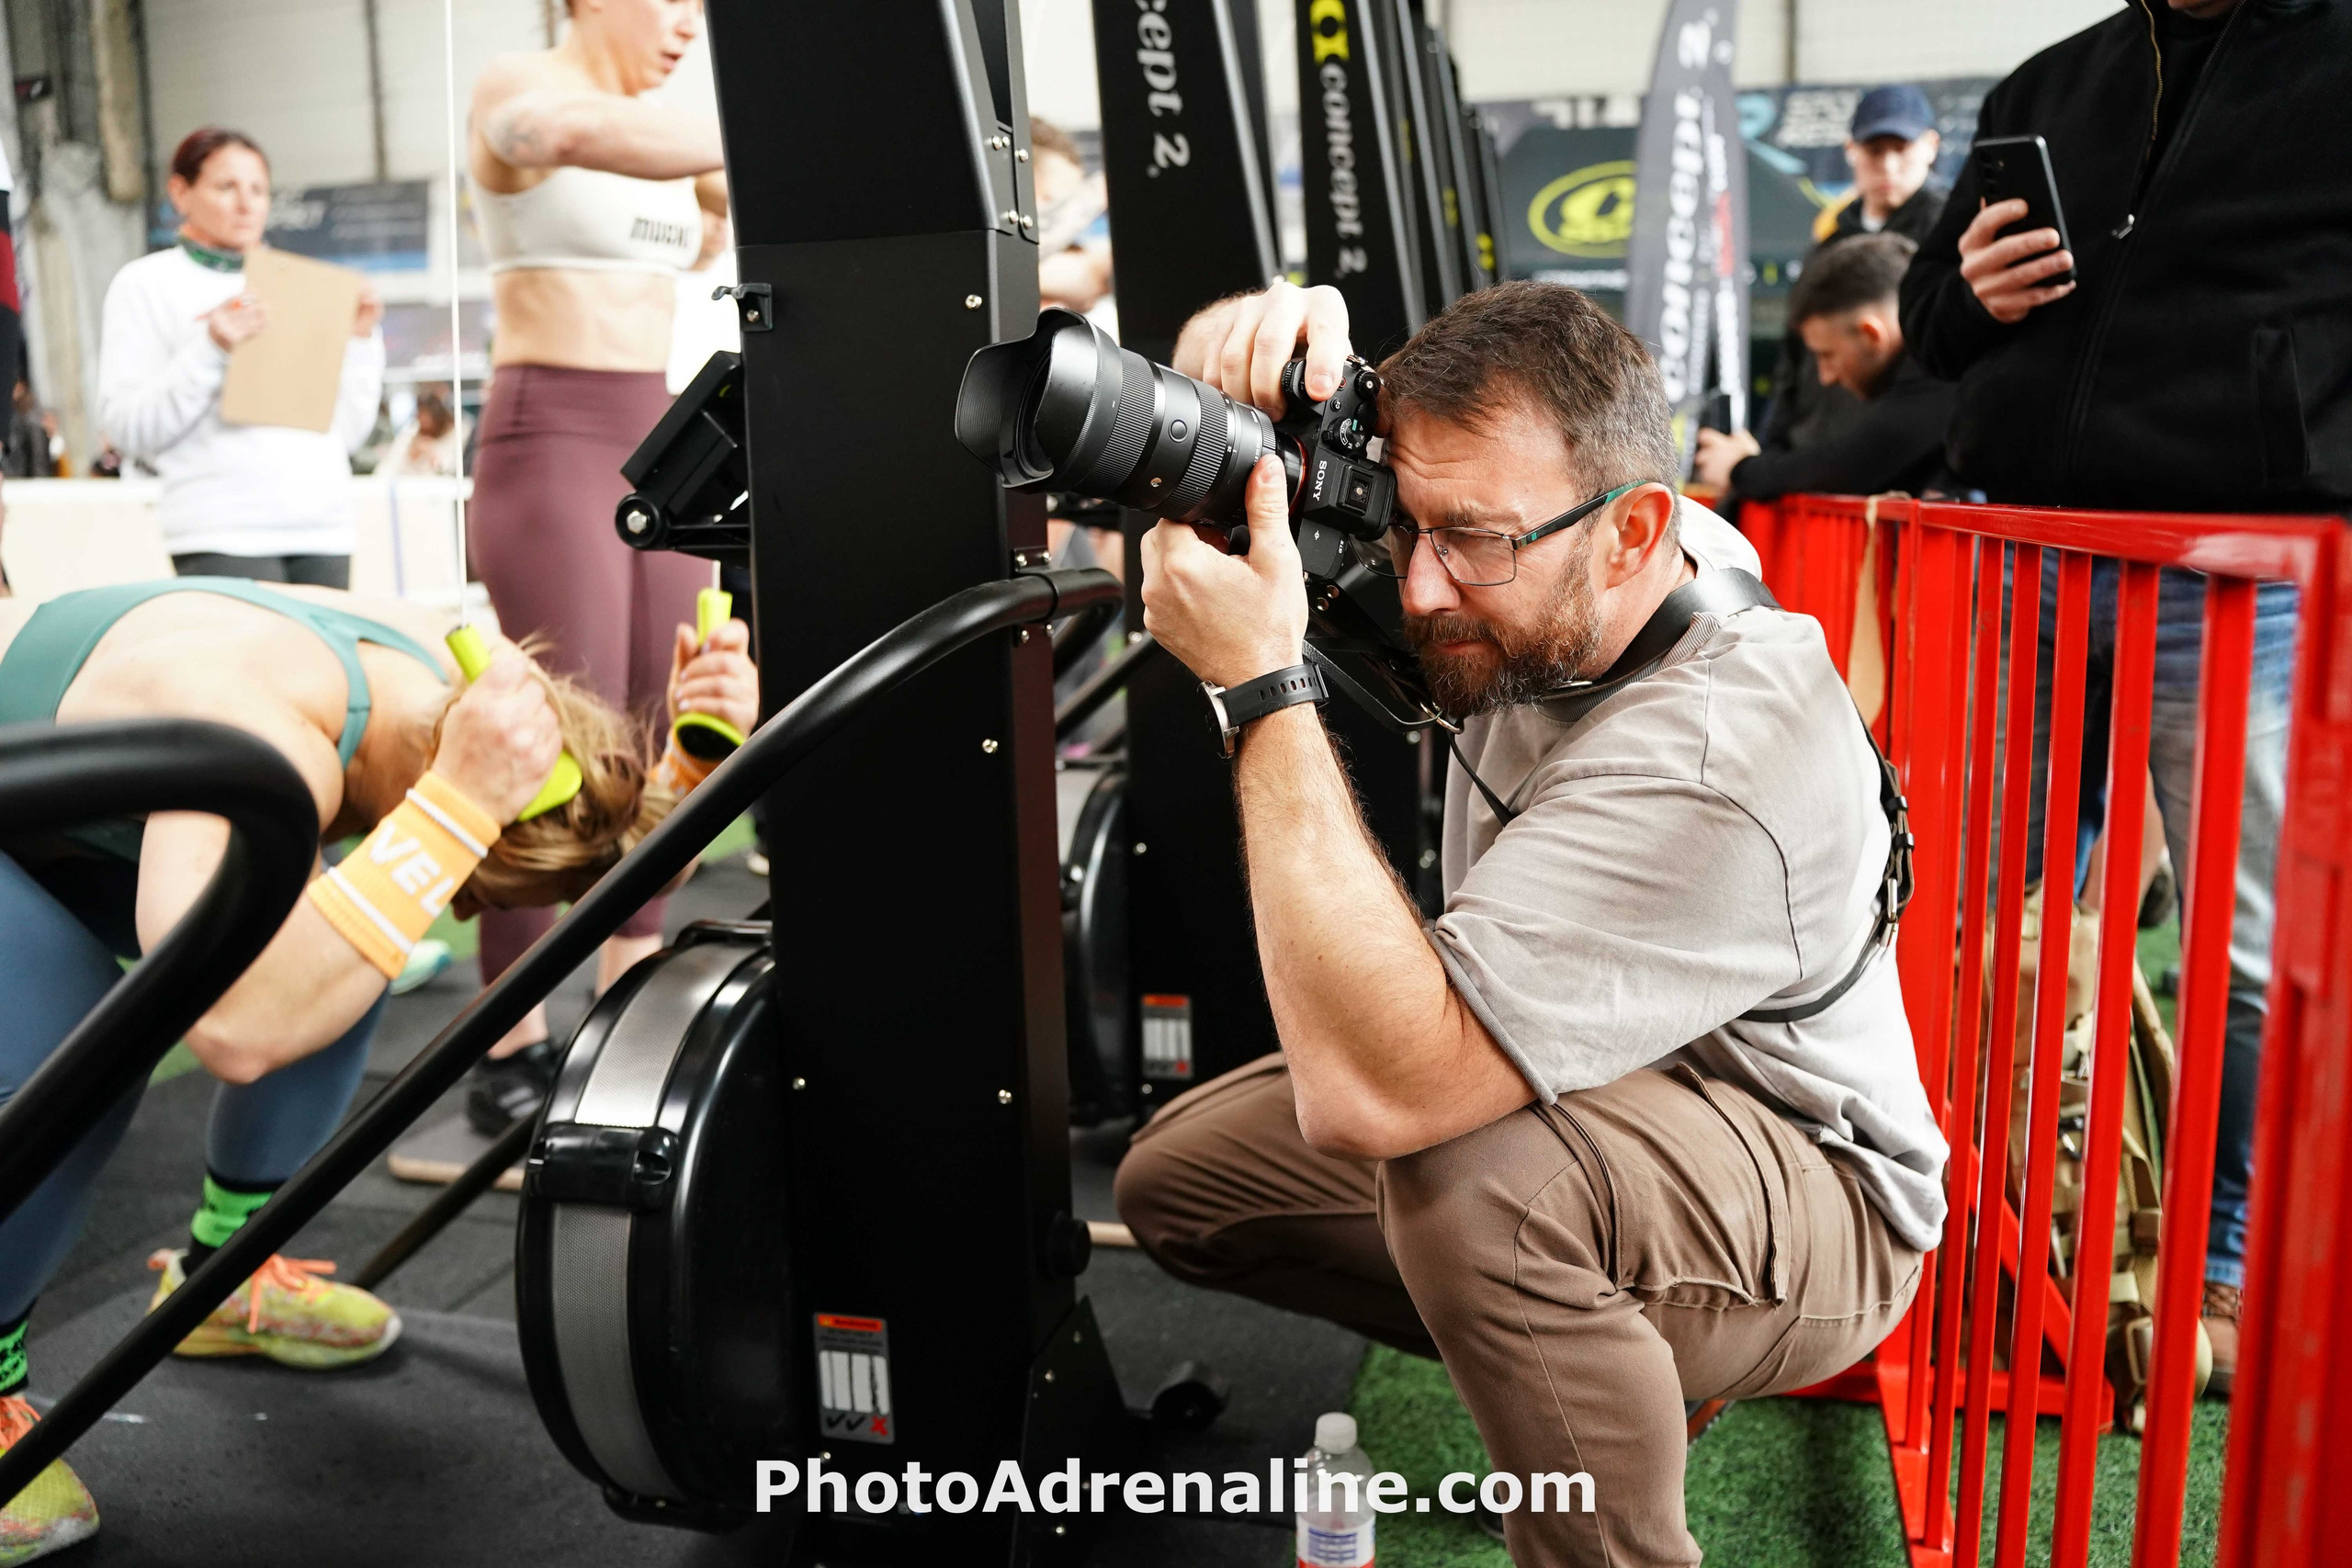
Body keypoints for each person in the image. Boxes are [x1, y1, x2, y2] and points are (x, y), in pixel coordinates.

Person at [1114, 280, 1943, 1567]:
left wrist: (1260, 688)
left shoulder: (1715, 745)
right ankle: (1596, 1330)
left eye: (1477, 541)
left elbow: (1379, 1096)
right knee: (1182, 1182)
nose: (1428, 587)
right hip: (1626, 1079)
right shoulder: (1593, 552)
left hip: (1821, 1185)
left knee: (1473, 1182)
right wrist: (1255, 362)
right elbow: (1444, 469)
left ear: (1633, 533)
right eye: (1408, 526)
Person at [0, 575, 755, 1559]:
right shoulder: (267, 734)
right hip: (21, 829)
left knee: (351, 945)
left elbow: (575, 859)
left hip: (104, 817)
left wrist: (691, 771)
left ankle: (225, 1279)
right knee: (86, 1035)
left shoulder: (446, 678)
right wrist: (449, 817)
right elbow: (231, 1027)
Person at [1898, 0, 2348, 1396]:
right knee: (1972, 924)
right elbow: (1927, 325)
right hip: (2028, 561)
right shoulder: (2051, 79)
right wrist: (1969, 292)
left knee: (2253, 953)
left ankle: (2221, 1264)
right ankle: (1992, 1242)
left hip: (2241, 573)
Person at [463, 0, 731, 1134]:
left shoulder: (677, 134)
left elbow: (729, 214)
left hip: (653, 434)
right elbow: (560, 140)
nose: (684, 24)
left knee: (660, 722)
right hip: (549, 432)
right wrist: (758, 130)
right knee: (558, 745)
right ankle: (507, 1039)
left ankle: (625, 1009)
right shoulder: (517, 93)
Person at [96, 128, 385, 588]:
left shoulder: (302, 283)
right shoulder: (145, 284)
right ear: (180, 192)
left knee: (324, 663)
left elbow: (346, 433)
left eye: (258, 190)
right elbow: (128, 429)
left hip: (324, 527)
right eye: (226, 187)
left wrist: (361, 343)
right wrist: (211, 349)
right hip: (219, 529)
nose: (246, 204)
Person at [1757, 85, 1945, 458]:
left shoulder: (1949, 238)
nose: (1889, 166)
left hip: (1900, 462)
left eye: (1902, 149)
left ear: (1931, 147)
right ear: (1851, 151)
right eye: (1875, 151)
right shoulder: (1826, 246)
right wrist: (1772, 449)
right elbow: (1794, 361)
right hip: (1813, 456)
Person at [1692, 233, 1955, 501]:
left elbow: (1849, 465)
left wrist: (1740, 468)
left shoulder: (1944, 357)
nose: (1826, 377)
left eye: (1827, 355)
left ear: (1871, 335)